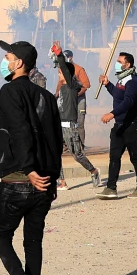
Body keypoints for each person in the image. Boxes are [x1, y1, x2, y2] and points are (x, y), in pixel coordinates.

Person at [0, 40, 63, 275]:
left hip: (19, 178)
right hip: (44, 181)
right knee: (33, 241)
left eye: (8, 56)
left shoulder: (9, 92)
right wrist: (53, 178)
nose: (5, 61)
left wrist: (30, 169)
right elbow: (56, 141)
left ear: (19, 63)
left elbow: (19, 131)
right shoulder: (46, 96)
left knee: (1, 237)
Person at [96, 52, 137, 199]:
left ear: (128, 65)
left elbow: (128, 101)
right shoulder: (121, 80)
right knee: (114, 156)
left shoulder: (132, 81)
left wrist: (112, 114)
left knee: (135, 156)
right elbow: (118, 96)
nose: (117, 63)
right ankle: (111, 188)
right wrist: (107, 85)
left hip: (133, 125)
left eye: (120, 61)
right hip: (120, 125)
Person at [51, 43, 100, 190]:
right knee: (55, 153)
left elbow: (67, 72)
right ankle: (61, 181)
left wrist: (59, 55)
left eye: (61, 73)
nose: (59, 75)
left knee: (77, 155)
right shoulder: (63, 87)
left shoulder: (72, 87)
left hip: (69, 126)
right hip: (59, 125)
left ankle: (94, 171)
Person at [63, 50, 91, 146]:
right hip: (67, 100)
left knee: (79, 123)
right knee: (67, 123)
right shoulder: (61, 70)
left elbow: (86, 85)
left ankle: (81, 145)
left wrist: (76, 95)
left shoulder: (79, 69)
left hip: (79, 99)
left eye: (66, 56)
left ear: (71, 57)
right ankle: (68, 145)